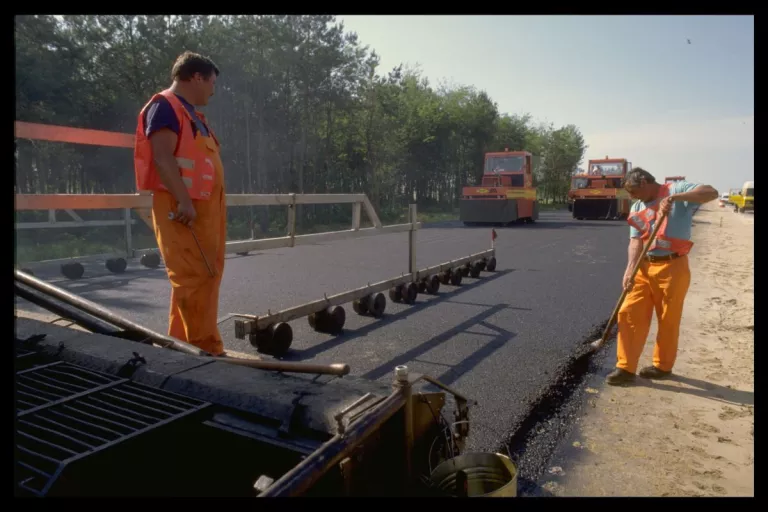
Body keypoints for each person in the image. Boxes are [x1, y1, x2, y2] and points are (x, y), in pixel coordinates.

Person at [133, 51, 227, 356]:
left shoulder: (192, 115)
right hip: (182, 209)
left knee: (205, 274)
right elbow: (162, 156)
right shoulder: (165, 106)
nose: (214, 90)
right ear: (196, 77)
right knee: (194, 277)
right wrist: (185, 202)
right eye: (212, 82)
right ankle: (205, 352)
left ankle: (180, 344)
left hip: (204, 210)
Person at [606, 168, 718, 385]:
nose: (632, 197)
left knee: (668, 319)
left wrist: (675, 198)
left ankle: (662, 366)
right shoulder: (638, 205)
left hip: (672, 267)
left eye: (634, 191)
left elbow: (711, 192)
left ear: (646, 182)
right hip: (644, 267)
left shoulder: (676, 190)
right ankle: (625, 368)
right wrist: (630, 268)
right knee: (629, 313)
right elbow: (636, 240)